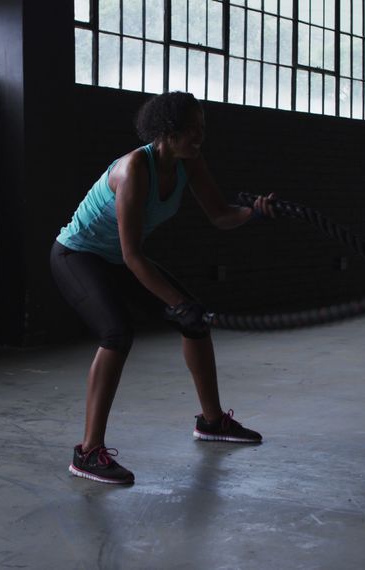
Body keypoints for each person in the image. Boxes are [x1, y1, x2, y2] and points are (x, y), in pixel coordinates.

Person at [50, 91, 276, 485]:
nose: (199, 137)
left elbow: (221, 216)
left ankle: (211, 421)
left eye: (202, 129)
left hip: (117, 258)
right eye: (192, 130)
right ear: (167, 132)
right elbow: (133, 254)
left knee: (195, 321)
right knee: (117, 333)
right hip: (78, 255)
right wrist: (177, 303)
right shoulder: (135, 169)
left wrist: (253, 212)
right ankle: (87, 453)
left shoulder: (189, 161)